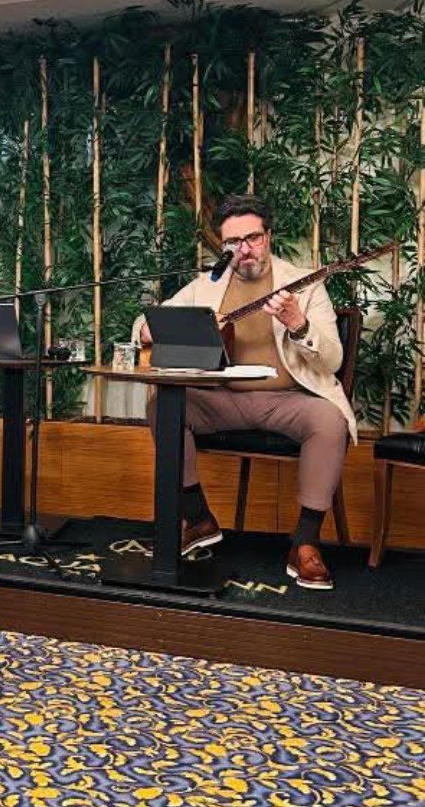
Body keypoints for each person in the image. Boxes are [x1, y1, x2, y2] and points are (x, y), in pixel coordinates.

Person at [134, 194, 355, 589]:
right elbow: (147, 322)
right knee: (163, 406)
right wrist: (147, 329)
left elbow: (333, 361)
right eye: (233, 242)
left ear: (268, 237)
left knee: (329, 420)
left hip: (288, 400)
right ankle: (198, 517)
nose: (244, 249)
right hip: (224, 399)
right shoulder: (207, 285)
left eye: (252, 238)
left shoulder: (305, 284)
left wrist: (298, 324)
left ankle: (305, 543)